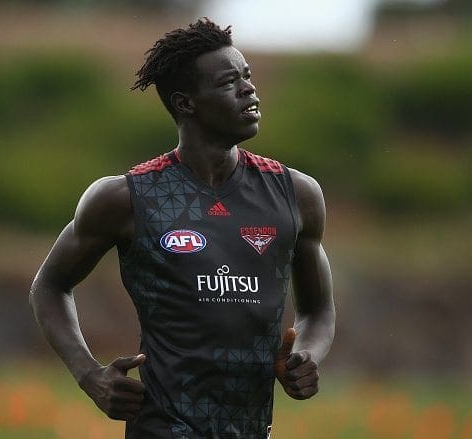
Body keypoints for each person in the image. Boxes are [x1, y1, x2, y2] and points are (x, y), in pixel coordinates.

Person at [30, 18, 335, 438]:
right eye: (229, 82)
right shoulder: (124, 198)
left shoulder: (295, 194)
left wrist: (305, 355)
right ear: (185, 103)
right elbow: (49, 285)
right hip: (162, 428)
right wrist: (89, 375)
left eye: (247, 77)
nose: (249, 89)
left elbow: (317, 310)